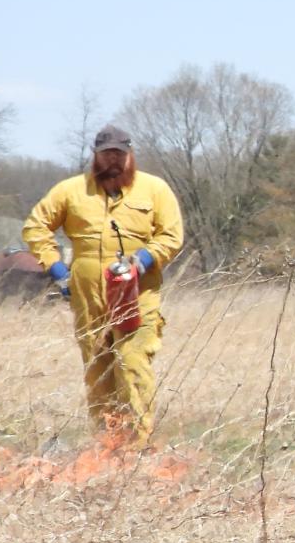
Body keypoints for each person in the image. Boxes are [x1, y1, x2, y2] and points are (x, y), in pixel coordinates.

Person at [21, 124, 185, 445]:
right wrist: (57, 271)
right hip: (87, 294)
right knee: (99, 369)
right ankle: (108, 445)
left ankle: (138, 445)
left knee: (132, 362)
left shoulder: (155, 189)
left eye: (119, 155)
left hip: (138, 293)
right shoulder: (70, 191)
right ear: (95, 156)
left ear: (130, 155)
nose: (113, 161)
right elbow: (35, 227)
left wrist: (144, 260)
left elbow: (171, 235)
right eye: (106, 154)